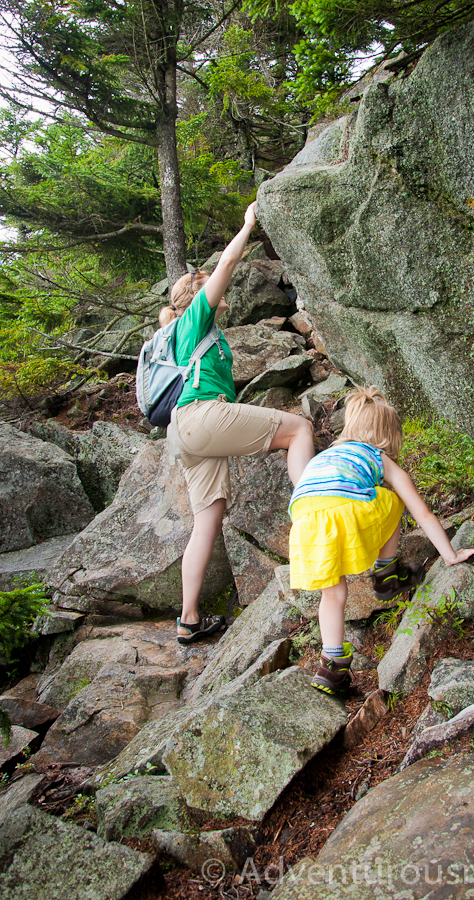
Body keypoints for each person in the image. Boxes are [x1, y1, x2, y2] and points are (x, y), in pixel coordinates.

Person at [160, 201, 314, 645]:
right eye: (210, 286)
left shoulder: (183, 332)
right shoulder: (195, 319)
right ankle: (315, 514)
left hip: (185, 433)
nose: (221, 287)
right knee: (299, 430)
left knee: (207, 520)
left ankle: (188, 619)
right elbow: (227, 261)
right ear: (198, 295)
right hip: (200, 416)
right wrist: (248, 224)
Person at [287, 386, 474, 695]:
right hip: (343, 509)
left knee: (333, 594)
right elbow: (423, 513)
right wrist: (450, 554)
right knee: (392, 500)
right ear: (389, 436)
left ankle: (332, 669)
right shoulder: (377, 456)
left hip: (304, 519)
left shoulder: (327, 456)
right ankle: (386, 574)